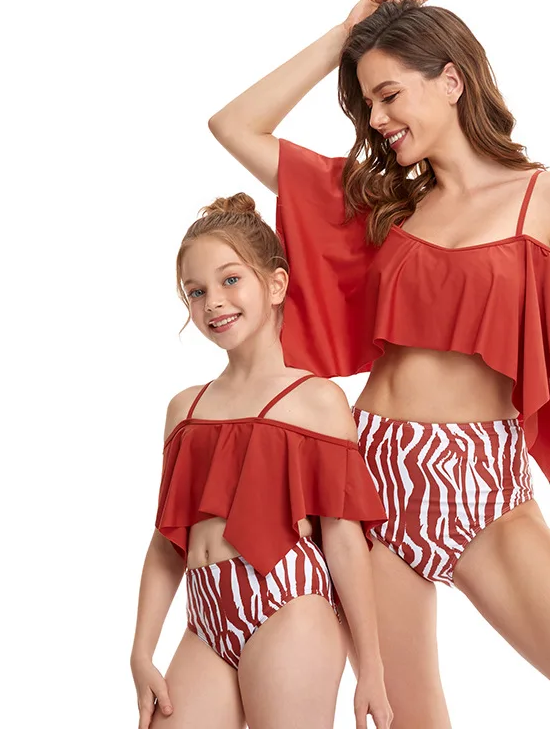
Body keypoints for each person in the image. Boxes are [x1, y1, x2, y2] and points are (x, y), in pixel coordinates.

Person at [207, 0, 550, 729]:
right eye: (368, 104)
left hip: (482, 479)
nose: (378, 119)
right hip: (368, 472)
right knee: (411, 721)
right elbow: (234, 125)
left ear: (452, 80)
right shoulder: (385, 205)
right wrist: (345, 35)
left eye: (390, 95)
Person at [130, 193, 392, 729]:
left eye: (230, 280)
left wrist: (371, 668)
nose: (213, 303)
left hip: (287, 604)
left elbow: (344, 540)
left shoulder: (317, 401)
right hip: (205, 619)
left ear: (275, 285)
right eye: (195, 291)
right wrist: (141, 650)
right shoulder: (185, 408)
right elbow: (167, 541)